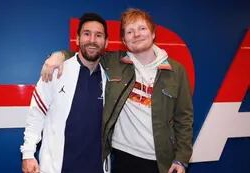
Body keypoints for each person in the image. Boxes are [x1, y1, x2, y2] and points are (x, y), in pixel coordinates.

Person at [41, 8, 193, 173]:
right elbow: (86, 53)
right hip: (122, 157)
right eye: (130, 31)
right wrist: (58, 55)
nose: (136, 34)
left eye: (142, 28)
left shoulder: (176, 71)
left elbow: (184, 119)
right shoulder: (114, 61)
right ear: (124, 40)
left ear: (153, 33)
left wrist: (181, 159)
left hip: (160, 161)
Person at [20, 13, 110, 173]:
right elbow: (36, 114)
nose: (92, 40)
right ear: (77, 39)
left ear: (106, 42)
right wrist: (28, 153)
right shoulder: (56, 71)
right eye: (87, 34)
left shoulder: (109, 78)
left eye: (98, 35)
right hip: (58, 167)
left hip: (96, 168)